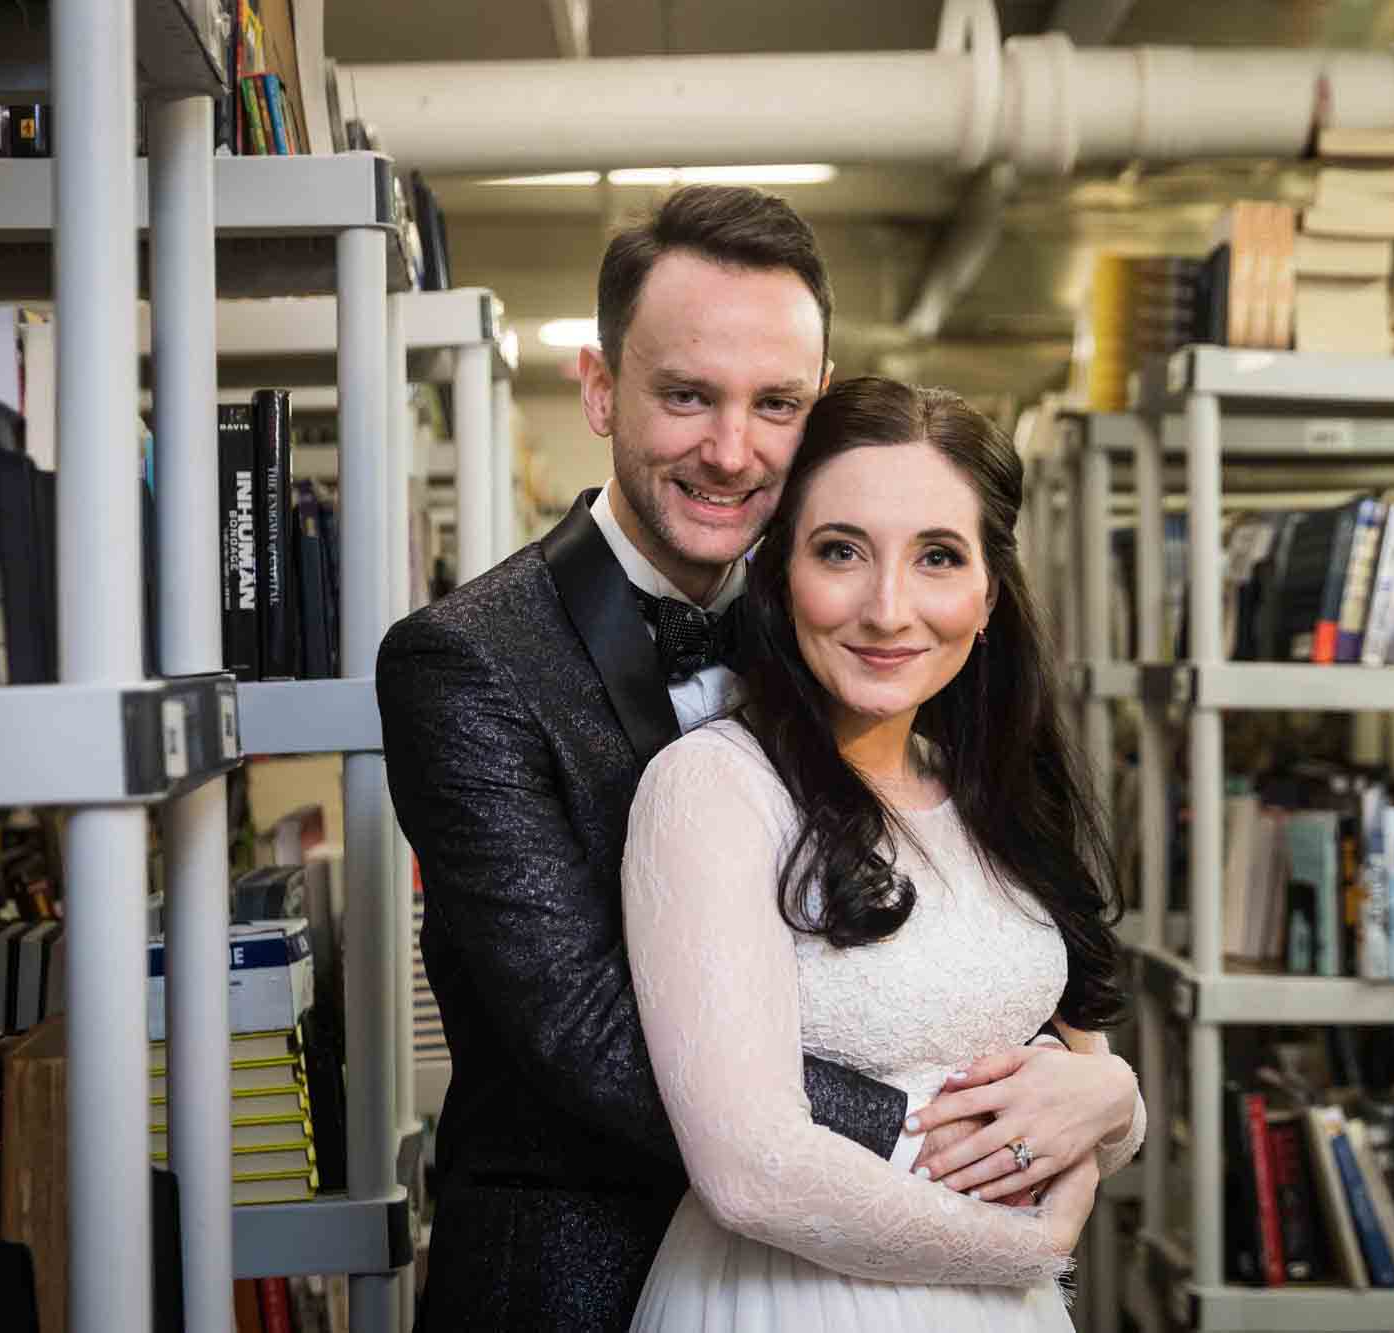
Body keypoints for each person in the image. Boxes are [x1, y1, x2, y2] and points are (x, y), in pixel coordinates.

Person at [376, 186, 1134, 1333]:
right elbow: (588, 1029)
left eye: (773, 403)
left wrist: (1104, 1088)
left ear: (816, 409)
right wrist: (962, 1132)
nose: (729, 452)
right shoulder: (465, 661)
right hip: (579, 1266)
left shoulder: (846, 640)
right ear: (598, 388)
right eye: (685, 395)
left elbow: (943, 948)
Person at [622, 376, 1146, 1331]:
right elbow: (749, 1172)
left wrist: (1116, 1100)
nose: (888, 608)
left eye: (938, 556)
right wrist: (1028, 1246)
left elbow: (1082, 1071)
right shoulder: (711, 788)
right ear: (782, 577)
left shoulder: (993, 793)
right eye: (841, 551)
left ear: (989, 594)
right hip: (792, 1303)